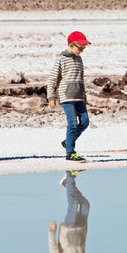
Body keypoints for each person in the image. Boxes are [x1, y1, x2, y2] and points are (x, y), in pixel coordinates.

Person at [47, 30, 91, 163]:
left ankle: (68, 142)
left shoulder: (79, 59)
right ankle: (70, 153)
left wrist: (84, 96)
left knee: (84, 122)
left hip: (79, 96)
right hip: (66, 97)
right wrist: (51, 97)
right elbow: (52, 79)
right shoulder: (61, 58)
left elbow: (81, 78)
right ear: (71, 45)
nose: (82, 50)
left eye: (84, 48)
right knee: (72, 124)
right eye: (80, 47)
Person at [48, 170, 91, 253]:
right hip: (80, 229)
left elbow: (54, 250)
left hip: (69, 231)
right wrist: (85, 226)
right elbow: (83, 247)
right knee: (85, 205)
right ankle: (68, 183)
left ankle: (70, 176)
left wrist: (51, 231)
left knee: (73, 204)